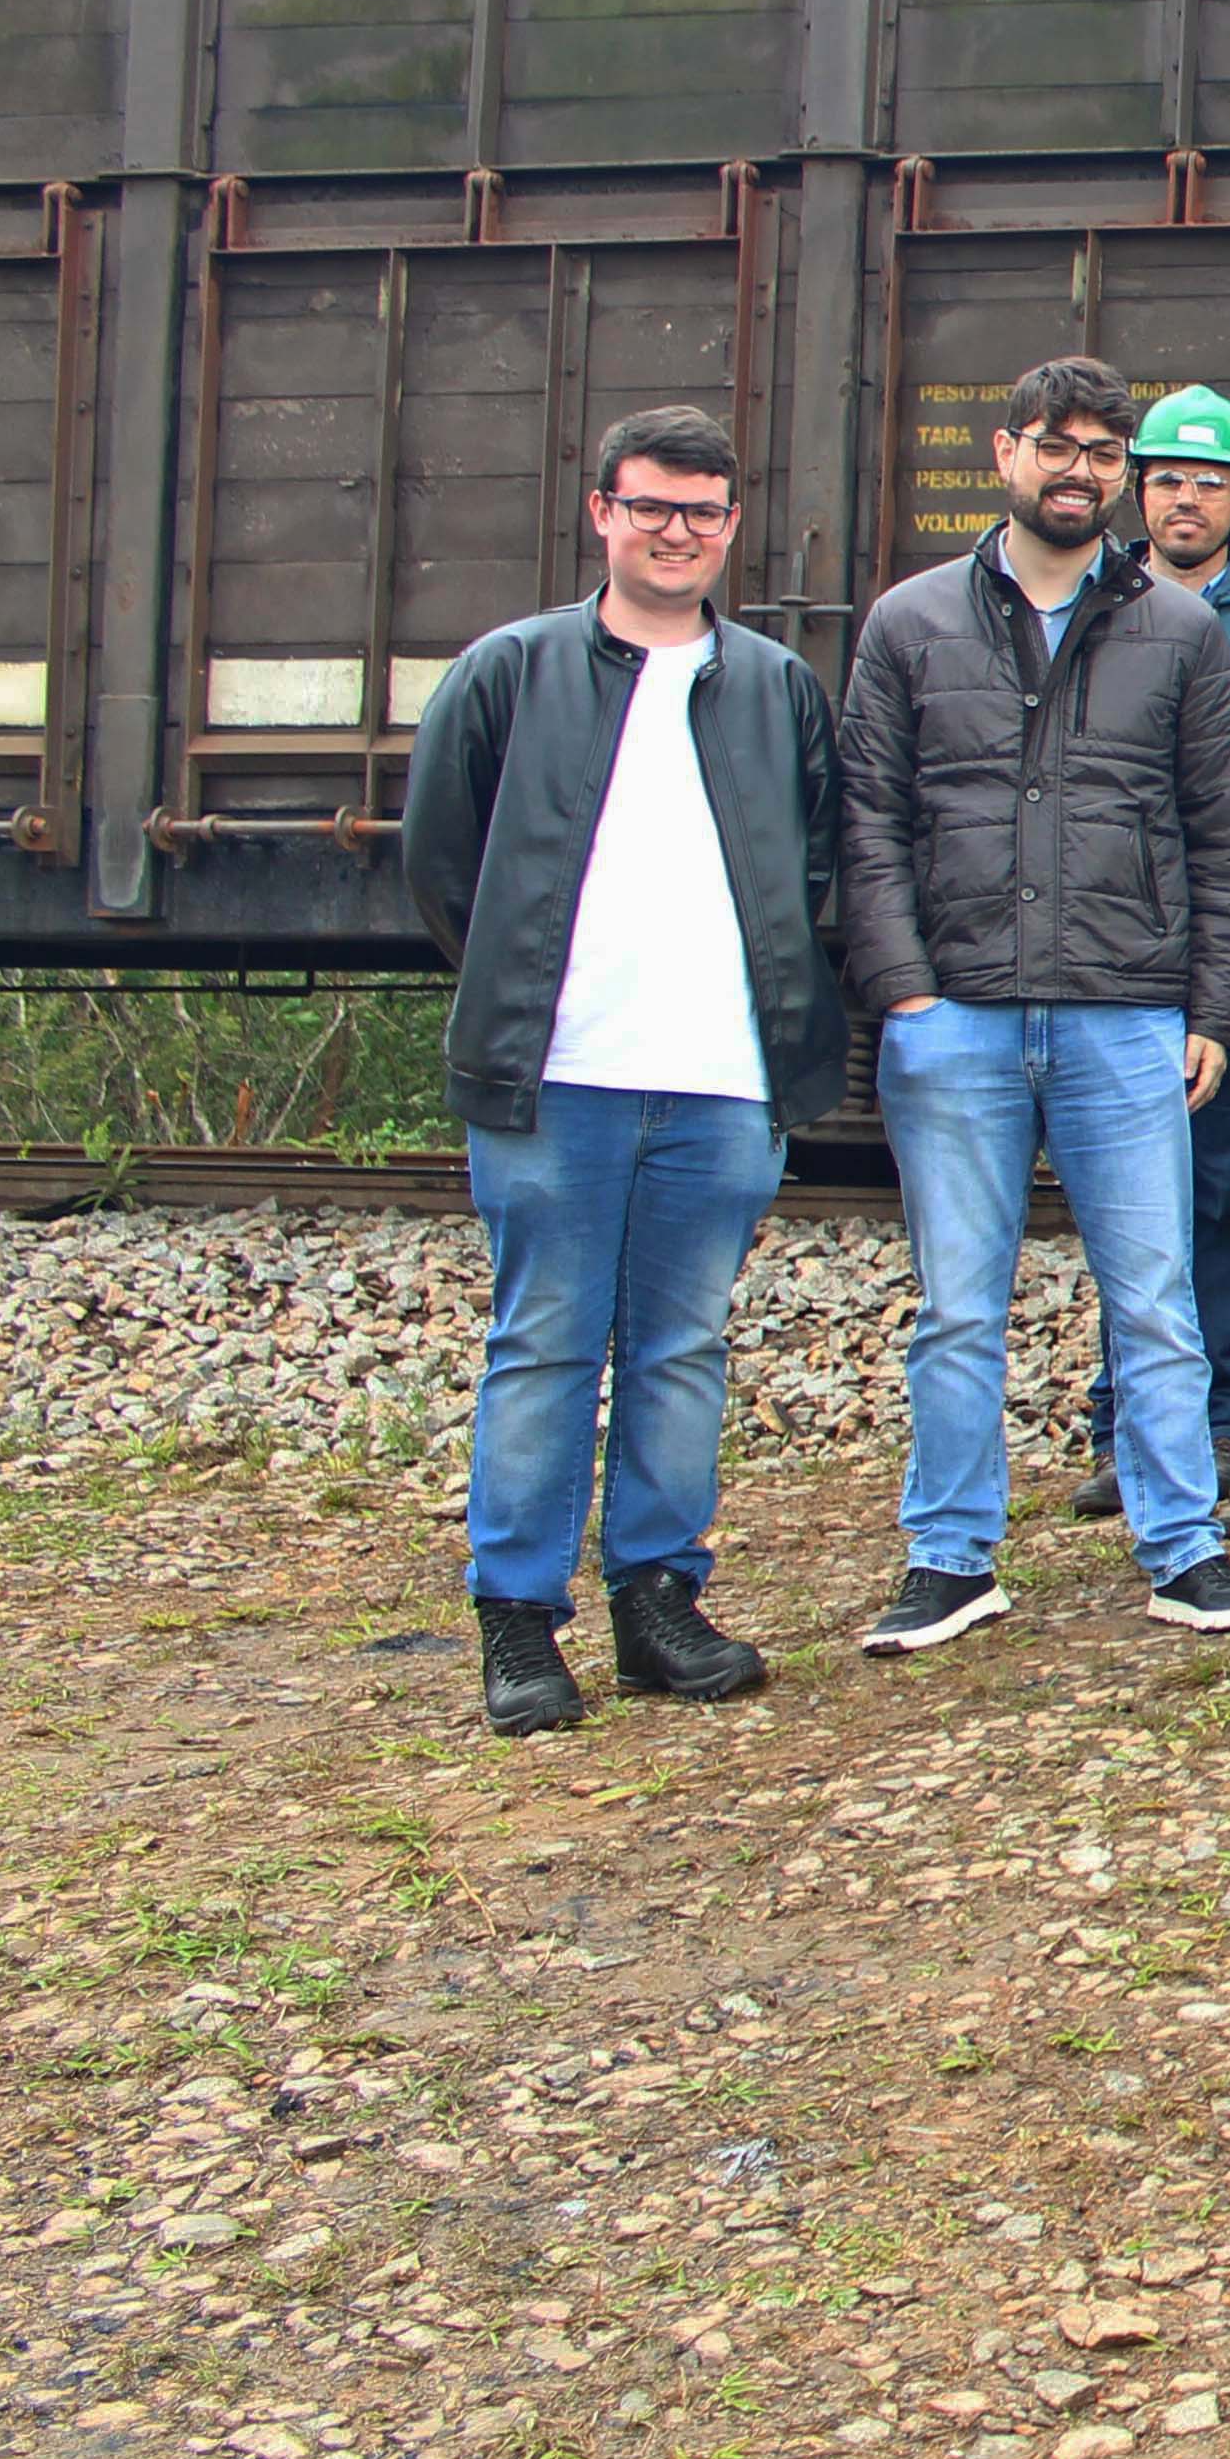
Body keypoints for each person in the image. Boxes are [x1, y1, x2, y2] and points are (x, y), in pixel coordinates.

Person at [402, 405, 845, 1733]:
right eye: (650, 506)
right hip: (560, 1077)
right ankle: (519, 1622)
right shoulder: (510, 670)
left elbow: (814, 862)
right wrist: (526, 992)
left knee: (681, 1350)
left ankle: (658, 1604)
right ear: (602, 512)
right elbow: (441, 862)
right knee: (544, 1344)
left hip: (722, 1080)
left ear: (731, 527)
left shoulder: (775, 687)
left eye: (701, 512)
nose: (676, 532)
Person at [836, 356, 1230, 1654]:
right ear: (1007, 454)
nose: (1079, 469)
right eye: (1057, 445)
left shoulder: (1180, 633)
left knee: (1153, 1301)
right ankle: (948, 1559)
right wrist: (903, 991)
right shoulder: (910, 622)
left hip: (1123, 1011)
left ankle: (1184, 1550)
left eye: (1103, 451)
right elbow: (868, 821)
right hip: (957, 1014)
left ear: (1121, 474)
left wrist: (1211, 1012)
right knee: (956, 1309)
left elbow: (1223, 835)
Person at [1075, 380, 1230, 1520]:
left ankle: (1229, 1420)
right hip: (1114, 948)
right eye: (1168, 481)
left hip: (1228, 943)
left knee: (1227, 1190)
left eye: (1210, 482)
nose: (1187, 500)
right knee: (1127, 1200)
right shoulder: (1089, 611)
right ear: (1137, 492)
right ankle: (1128, 1423)